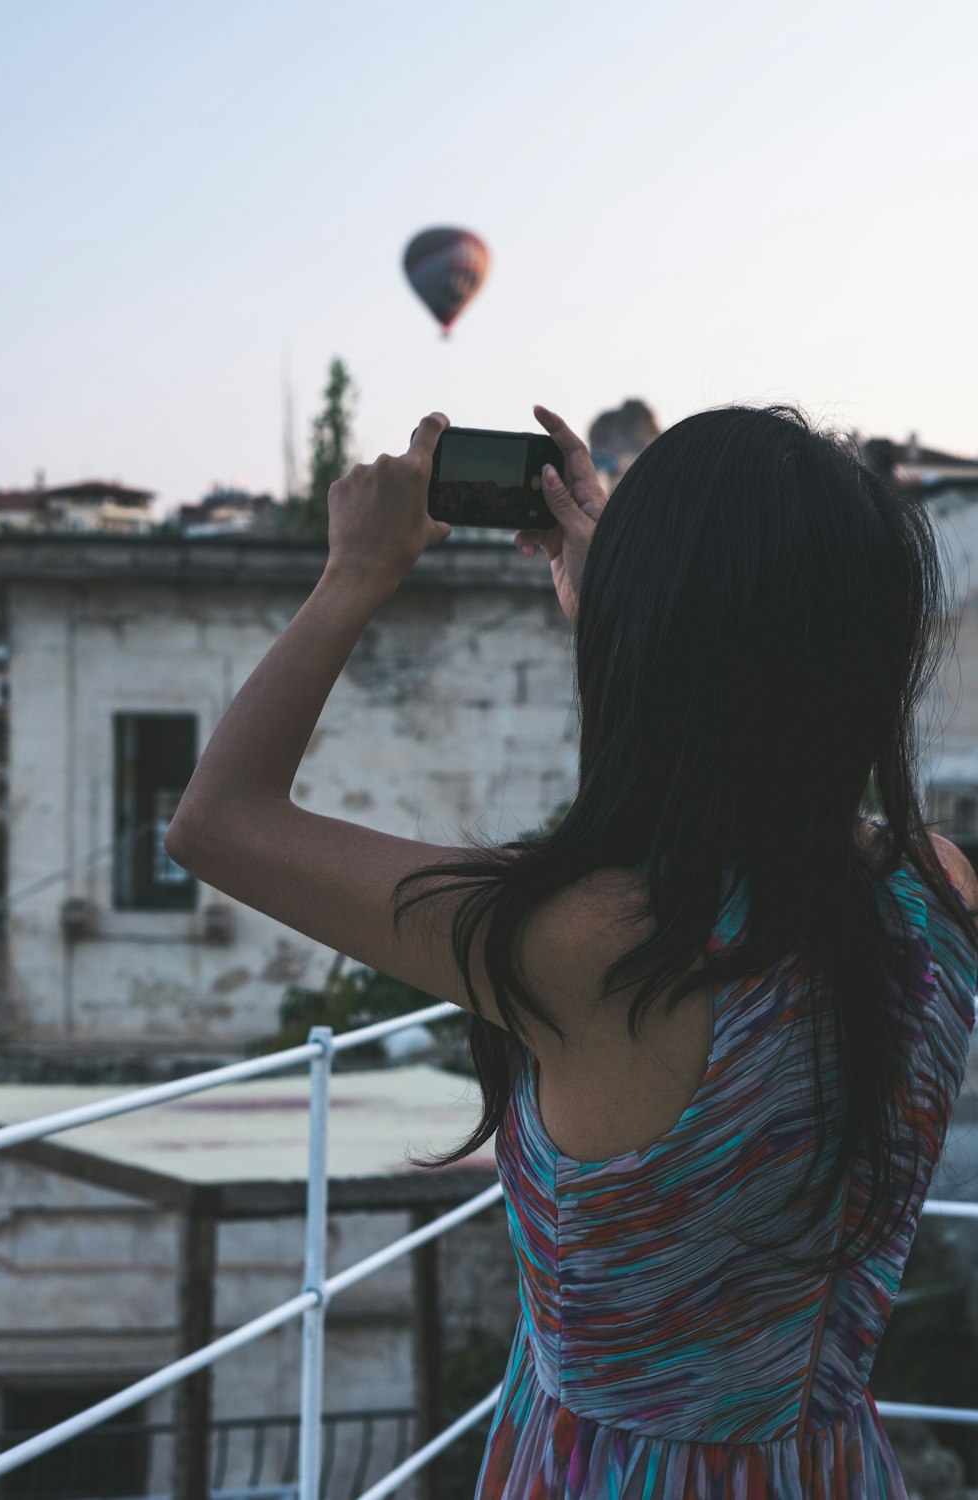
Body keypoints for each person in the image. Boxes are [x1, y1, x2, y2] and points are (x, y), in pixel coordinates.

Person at [166, 403, 978, 1499]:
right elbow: (755, 724)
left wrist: (356, 573)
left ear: (653, 636)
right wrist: (628, 604)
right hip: (830, 1463)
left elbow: (219, 820)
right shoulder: (937, 888)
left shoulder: (584, 944)